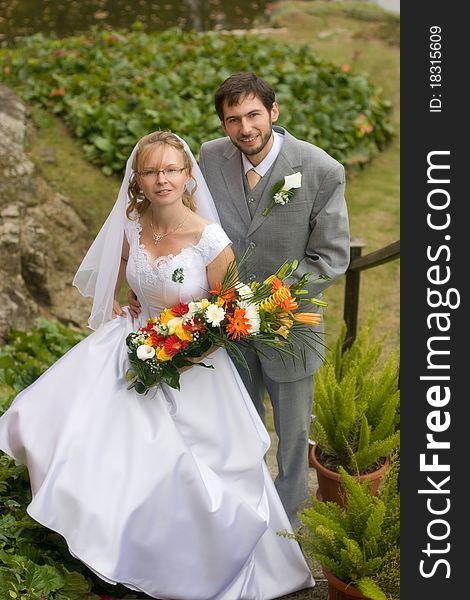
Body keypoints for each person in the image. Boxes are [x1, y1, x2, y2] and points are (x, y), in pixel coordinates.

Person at [0, 131, 314, 600]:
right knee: (55, 422)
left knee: (182, 474)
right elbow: (121, 270)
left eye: (171, 169)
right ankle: (111, 547)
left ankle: (190, 567)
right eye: (150, 171)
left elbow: (229, 314)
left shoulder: (209, 239)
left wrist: (182, 354)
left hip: (193, 366)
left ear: (188, 176)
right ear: (138, 180)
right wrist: (124, 307)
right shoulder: (132, 223)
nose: (161, 179)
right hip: (132, 345)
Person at [129, 74, 351, 528]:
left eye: (253, 115)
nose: (245, 128)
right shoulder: (209, 156)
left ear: (273, 111)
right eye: (233, 119)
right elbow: (181, 212)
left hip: (290, 325)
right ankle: (244, 518)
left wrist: (265, 301)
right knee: (242, 432)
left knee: (292, 439)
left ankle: (285, 525)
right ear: (224, 124)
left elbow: (329, 258)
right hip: (222, 331)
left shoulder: (321, 169)